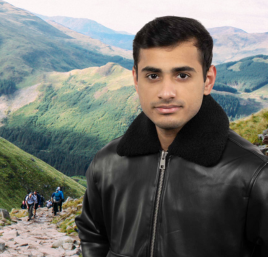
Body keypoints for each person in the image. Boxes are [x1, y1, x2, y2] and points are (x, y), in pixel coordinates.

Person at [75, 16, 268, 256]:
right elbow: (92, 235)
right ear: (136, 79)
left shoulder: (254, 175)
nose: (166, 92)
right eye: (153, 76)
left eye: (182, 75)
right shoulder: (107, 163)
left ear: (207, 80)